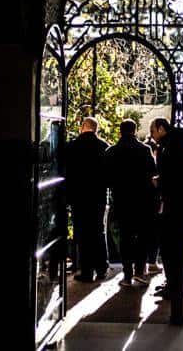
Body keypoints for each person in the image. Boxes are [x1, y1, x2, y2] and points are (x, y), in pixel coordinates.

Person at [104, 119, 157, 287]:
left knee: (125, 237)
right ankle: (140, 271)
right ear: (135, 131)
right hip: (142, 200)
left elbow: (106, 178)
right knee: (142, 236)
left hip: (121, 200)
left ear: (120, 131)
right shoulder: (145, 149)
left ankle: (127, 273)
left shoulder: (111, 151)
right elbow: (153, 174)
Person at [150, 117, 183, 325]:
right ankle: (175, 286)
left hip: (172, 209)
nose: (152, 135)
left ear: (161, 128)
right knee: (175, 251)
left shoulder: (169, 149)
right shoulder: (174, 148)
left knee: (171, 251)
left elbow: (172, 180)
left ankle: (175, 290)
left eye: (153, 130)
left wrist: (159, 183)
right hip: (176, 208)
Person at [62, 117, 110, 282]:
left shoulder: (73, 146)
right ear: (95, 129)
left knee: (82, 233)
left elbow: (66, 173)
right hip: (98, 196)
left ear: (83, 127)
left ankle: (87, 270)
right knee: (98, 231)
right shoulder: (104, 147)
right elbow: (107, 176)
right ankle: (102, 267)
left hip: (79, 197)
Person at [143, 135, 163, 275]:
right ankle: (152, 262)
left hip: (142, 202)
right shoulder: (155, 165)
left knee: (144, 234)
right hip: (154, 203)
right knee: (154, 234)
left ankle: (143, 265)